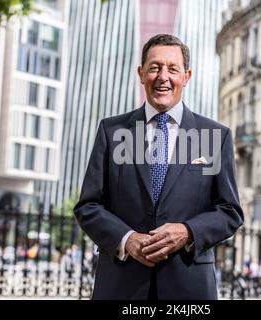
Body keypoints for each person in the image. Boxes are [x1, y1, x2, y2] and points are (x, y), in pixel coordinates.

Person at [74, 34, 243, 300]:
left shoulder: (214, 135)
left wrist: (188, 231)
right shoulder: (112, 130)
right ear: (141, 74)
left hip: (189, 290)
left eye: (172, 68)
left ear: (186, 76)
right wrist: (126, 239)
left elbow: (230, 211)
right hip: (121, 286)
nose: (163, 76)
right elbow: (88, 206)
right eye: (154, 67)